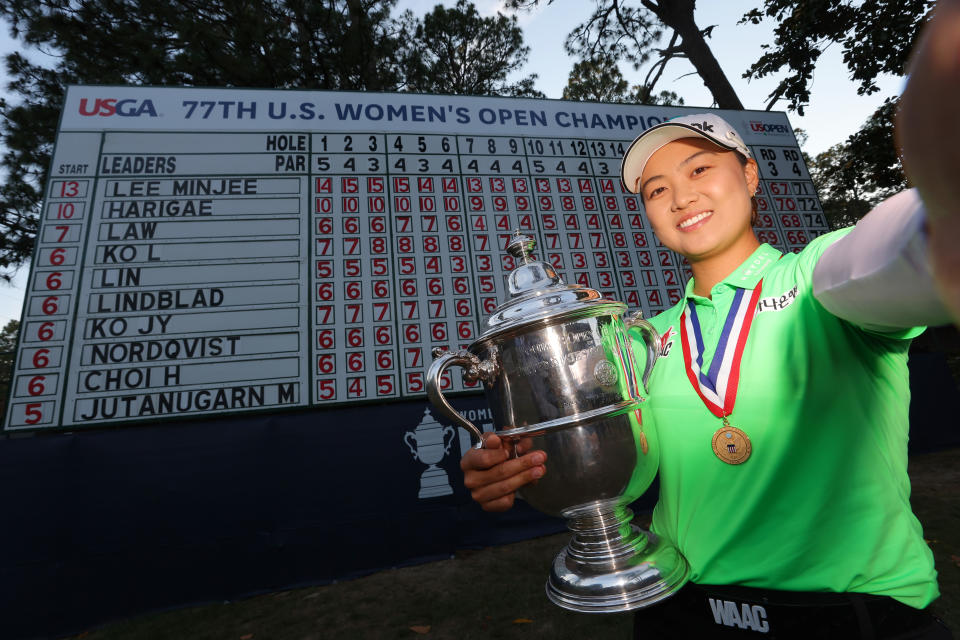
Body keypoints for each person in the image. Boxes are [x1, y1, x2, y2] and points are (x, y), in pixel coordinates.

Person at [459, 2, 959, 637]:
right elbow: (596, 457)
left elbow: (891, 251)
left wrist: (942, 194)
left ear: (749, 176)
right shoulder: (639, 341)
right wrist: (517, 465)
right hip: (681, 611)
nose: (682, 195)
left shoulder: (815, 278)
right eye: (657, 189)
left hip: (850, 615)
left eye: (700, 169)